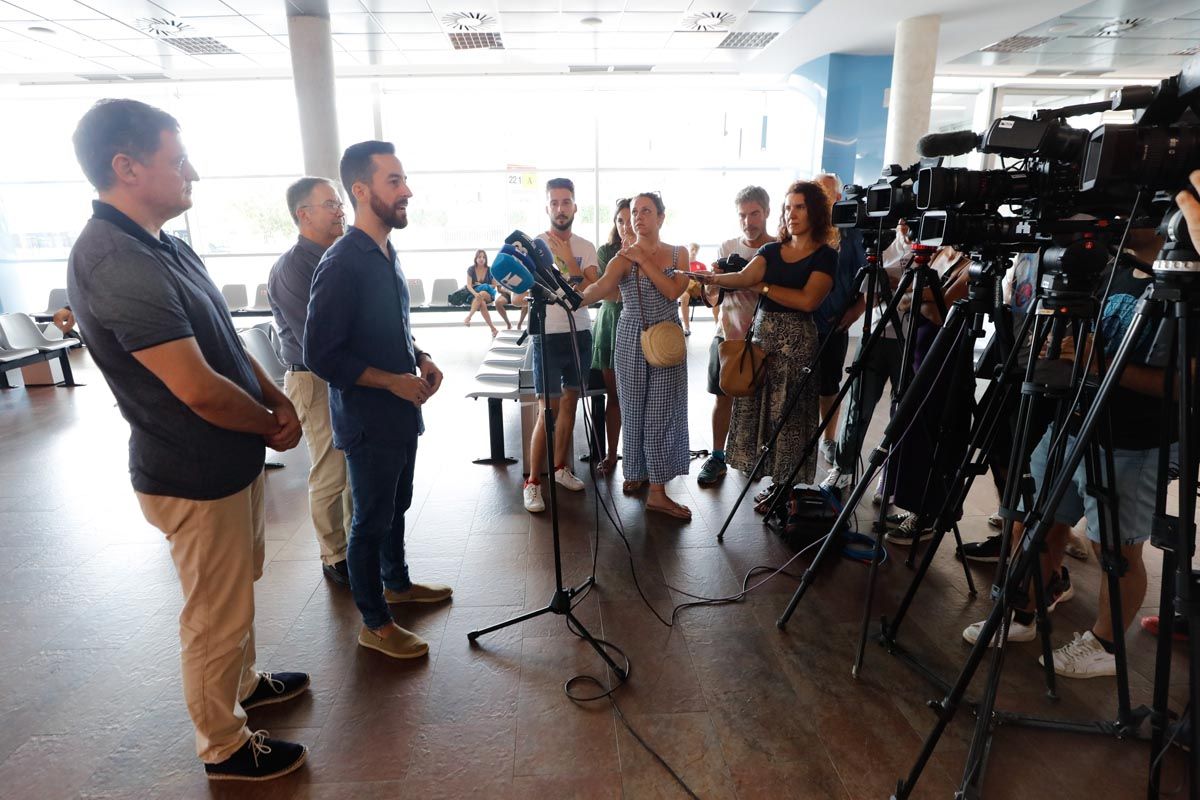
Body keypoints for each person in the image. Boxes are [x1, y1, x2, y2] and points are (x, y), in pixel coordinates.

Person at [66, 99, 308, 781]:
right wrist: (270, 424)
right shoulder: (113, 260)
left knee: (237, 591)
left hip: (229, 457)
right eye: (178, 161)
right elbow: (196, 387)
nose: (192, 172)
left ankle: (244, 683)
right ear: (126, 167)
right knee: (214, 614)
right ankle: (225, 746)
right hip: (191, 470)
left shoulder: (161, 242)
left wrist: (274, 396)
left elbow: (226, 341)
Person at [961, 226, 1178, 679]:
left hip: (1134, 439)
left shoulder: (1183, 282)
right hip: (1073, 421)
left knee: (1115, 548)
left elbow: (1183, 383)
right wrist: (1062, 349)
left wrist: (1101, 365)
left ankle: (1106, 644)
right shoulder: (1112, 269)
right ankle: (1024, 611)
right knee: (1033, 519)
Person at [305, 141, 452, 661]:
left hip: (399, 411)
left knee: (396, 506)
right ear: (361, 190)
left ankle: (398, 583)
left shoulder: (385, 251)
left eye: (404, 179)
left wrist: (420, 355)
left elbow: (391, 328)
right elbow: (320, 353)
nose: (407, 189)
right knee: (370, 520)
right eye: (395, 181)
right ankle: (375, 622)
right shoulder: (342, 262)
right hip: (369, 417)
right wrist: (392, 382)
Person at [697, 180, 835, 496]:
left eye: (799, 207)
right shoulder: (767, 250)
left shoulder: (821, 255)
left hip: (793, 344)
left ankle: (783, 487)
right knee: (748, 407)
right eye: (789, 207)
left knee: (788, 415)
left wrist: (761, 287)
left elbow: (807, 300)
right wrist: (710, 279)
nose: (793, 213)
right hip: (751, 338)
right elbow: (737, 282)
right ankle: (745, 465)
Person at [580, 192, 693, 518]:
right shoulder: (620, 259)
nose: (638, 217)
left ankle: (657, 492)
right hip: (630, 337)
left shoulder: (677, 254)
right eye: (634, 212)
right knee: (632, 411)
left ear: (661, 216)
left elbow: (673, 291)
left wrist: (643, 259)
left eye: (646, 211)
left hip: (666, 338)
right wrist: (571, 300)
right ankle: (639, 472)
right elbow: (599, 289)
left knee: (660, 413)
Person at [267, 176, 352, 587]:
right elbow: (319, 340)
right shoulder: (292, 269)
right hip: (314, 378)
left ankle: (356, 546)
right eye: (331, 204)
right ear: (304, 214)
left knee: (353, 464)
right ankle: (334, 554)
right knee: (331, 468)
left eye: (339, 203)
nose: (341, 210)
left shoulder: (339, 256)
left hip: (347, 374)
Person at [522, 177, 599, 513]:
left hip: (579, 332)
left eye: (565, 202)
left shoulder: (585, 246)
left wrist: (569, 259)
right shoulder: (535, 245)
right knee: (547, 410)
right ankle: (533, 483)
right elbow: (520, 289)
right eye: (554, 202)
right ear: (547, 207)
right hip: (546, 334)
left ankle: (559, 469)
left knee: (569, 404)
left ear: (574, 206)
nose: (560, 208)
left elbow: (593, 290)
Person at [820, 220, 910, 498]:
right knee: (857, 406)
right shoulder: (883, 245)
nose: (903, 223)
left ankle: (893, 476)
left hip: (910, 339)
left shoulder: (936, 247)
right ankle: (842, 468)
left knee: (903, 410)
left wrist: (899, 284)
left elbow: (935, 293)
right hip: (876, 334)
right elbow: (869, 294)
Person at [696, 186, 775, 486]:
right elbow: (713, 297)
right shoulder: (727, 246)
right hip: (727, 332)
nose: (748, 221)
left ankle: (753, 456)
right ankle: (718, 456)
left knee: (763, 401)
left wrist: (751, 278)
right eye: (742, 215)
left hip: (764, 335)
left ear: (766, 212)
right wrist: (711, 282)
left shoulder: (777, 248)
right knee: (722, 396)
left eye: (754, 213)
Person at [812, 173, 866, 468]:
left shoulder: (851, 233)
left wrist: (855, 311)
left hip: (834, 325)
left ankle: (829, 439)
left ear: (838, 198)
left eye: (827, 194)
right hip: (801, 324)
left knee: (829, 386)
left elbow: (871, 277)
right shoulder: (804, 231)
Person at [591, 197, 633, 473]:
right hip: (610, 323)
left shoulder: (653, 251)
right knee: (614, 396)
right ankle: (611, 454)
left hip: (638, 324)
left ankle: (639, 458)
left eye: (630, 220)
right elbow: (606, 290)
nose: (625, 226)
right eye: (620, 220)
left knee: (642, 397)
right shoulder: (606, 251)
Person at [463, 249, 511, 335]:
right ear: (476, 258)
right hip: (475, 295)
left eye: (483, 257)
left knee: (482, 294)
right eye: (479, 257)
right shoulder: (471, 269)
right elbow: (469, 286)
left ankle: (469, 317)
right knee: (482, 303)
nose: (481, 259)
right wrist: (475, 293)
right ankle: (493, 329)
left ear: (486, 259)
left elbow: (494, 285)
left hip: (489, 295)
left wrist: (483, 285)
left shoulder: (490, 270)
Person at [679, 241, 713, 336]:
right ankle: (687, 327)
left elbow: (706, 280)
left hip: (699, 288)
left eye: (696, 250)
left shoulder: (701, 265)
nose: (694, 251)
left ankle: (718, 324)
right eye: (692, 249)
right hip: (687, 288)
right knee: (684, 296)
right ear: (688, 250)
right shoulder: (683, 264)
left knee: (716, 293)